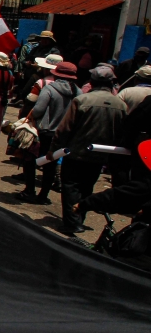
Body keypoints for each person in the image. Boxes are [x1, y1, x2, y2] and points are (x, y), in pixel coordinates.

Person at [48, 65, 127, 234]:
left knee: (70, 187)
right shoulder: (120, 105)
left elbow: (64, 129)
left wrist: (53, 149)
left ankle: (72, 223)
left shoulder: (82, 100)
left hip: (76, 153)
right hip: (100, 156)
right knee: (87, 187)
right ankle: (79, 218)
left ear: (92, 82)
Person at [18, 62, 79, 204]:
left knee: (31, 159)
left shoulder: (50, 89)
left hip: (45, 131)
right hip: (64, 134)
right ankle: (43, 195)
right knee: (50, 165)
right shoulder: (78, 92)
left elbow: (38, 109)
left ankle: (29, 190)